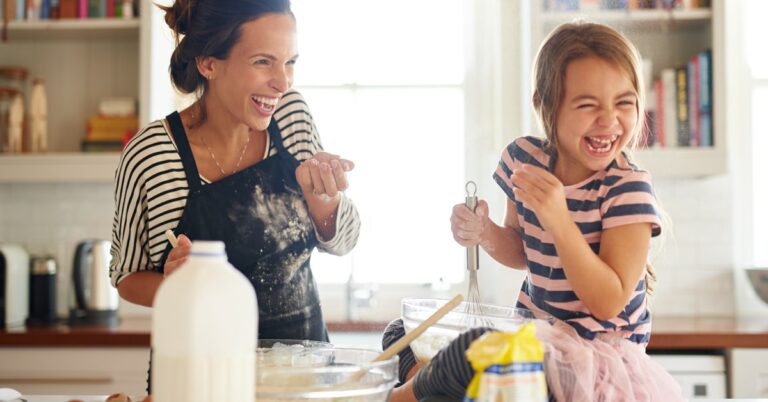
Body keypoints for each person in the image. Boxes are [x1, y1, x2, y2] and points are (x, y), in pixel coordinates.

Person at [384, 21, 684, 402]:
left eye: (624, 102)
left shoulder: (627, 189)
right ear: (544, 105)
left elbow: (607, 301)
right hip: (537, 340)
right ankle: (434, 386)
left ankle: (395, 399)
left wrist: (558, 218)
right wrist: (485, 232)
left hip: (597, 363)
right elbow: (524, 252)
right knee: (403, 334)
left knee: (472, 352)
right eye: (588, 104)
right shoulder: (523, 160)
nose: (609, 119)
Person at [109, 0, 360, 342]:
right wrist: (175, 286)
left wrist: (323, 198)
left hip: (302, 376)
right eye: (263, 62)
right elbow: (127, 277)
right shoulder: (153, 154)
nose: (282, 82)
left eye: (290, 63)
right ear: (208, 63)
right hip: (199, 377)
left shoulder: (291, 119)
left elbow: (345, 242)